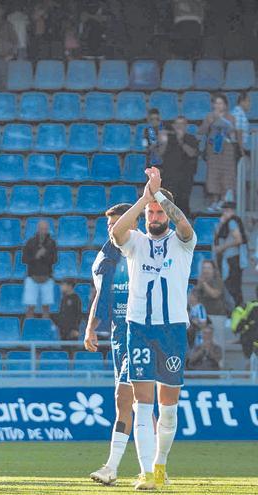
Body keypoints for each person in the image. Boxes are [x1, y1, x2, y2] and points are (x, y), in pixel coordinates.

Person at [110, 167, 196, 490]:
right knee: (142, 406)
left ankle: (160, 464)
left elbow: (185, 225)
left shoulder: (182, 242)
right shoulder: (136, 243)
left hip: (172, 330)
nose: (155, 215)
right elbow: (116, 233)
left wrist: (159, 194)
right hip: (139, 328)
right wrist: (144, 198)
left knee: (168, 409)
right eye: (151, 211)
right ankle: (147, 473)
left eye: (159, 211)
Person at [85, 203, 138, 486]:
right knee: (137, 402)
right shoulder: (107, 256)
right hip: (121, 334)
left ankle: (114, 466)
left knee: (127, 399)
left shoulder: (143, 249)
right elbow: (102, 294)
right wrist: (91, 326)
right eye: (109, 225)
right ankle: (153, 467)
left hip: (142, 333)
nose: (111, 229)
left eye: (117, 223)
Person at [198, 94, 238, 211]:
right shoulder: (209, 116)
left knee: (226, 176)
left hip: (227, 151)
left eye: (220, 103)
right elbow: (201, 131)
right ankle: (214, 201)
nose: (218, 105)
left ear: (225, 105)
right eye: (216, 103)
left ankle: (223, 200)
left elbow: (234, 135)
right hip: (213, 151)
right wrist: (208, 123)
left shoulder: (231, 118)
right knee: (213, 176)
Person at [158, 117, 199, 219]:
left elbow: (192, 153)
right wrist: (163, 141)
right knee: (169, 201)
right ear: (174, 126)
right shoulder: (168, 138)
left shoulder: (191, 138)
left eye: (182, 124)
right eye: (177, 124)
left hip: (185, 176)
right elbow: (159, 153)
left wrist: (180, 140)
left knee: (183, 202)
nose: (179, 126)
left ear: (186, 126)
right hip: (169, 175)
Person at [213, 202, 247, 307]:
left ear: (231, 211)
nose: (224, 213)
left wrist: (221, 248)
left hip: (233, 258)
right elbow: (217, 236)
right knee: (230, 284)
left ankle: (238, 307)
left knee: (233, 285)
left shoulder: (232, 221)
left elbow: (238, 239)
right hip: (229, 258)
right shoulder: (226, 222)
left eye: (226, 210)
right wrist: (221, 223)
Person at [22, 220, 57, 318]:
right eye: (42, 229)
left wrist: (45, 255)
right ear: (38, 229)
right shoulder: (30, 242)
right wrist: (36, 256)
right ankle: (29, 328)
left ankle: (45, 329)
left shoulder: (51, 243)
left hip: (47, 277)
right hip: (32, 278)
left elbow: (55, 260)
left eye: (45, 229)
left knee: (46, 308)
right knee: (30, 307)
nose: (44, 231)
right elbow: (24, 259)